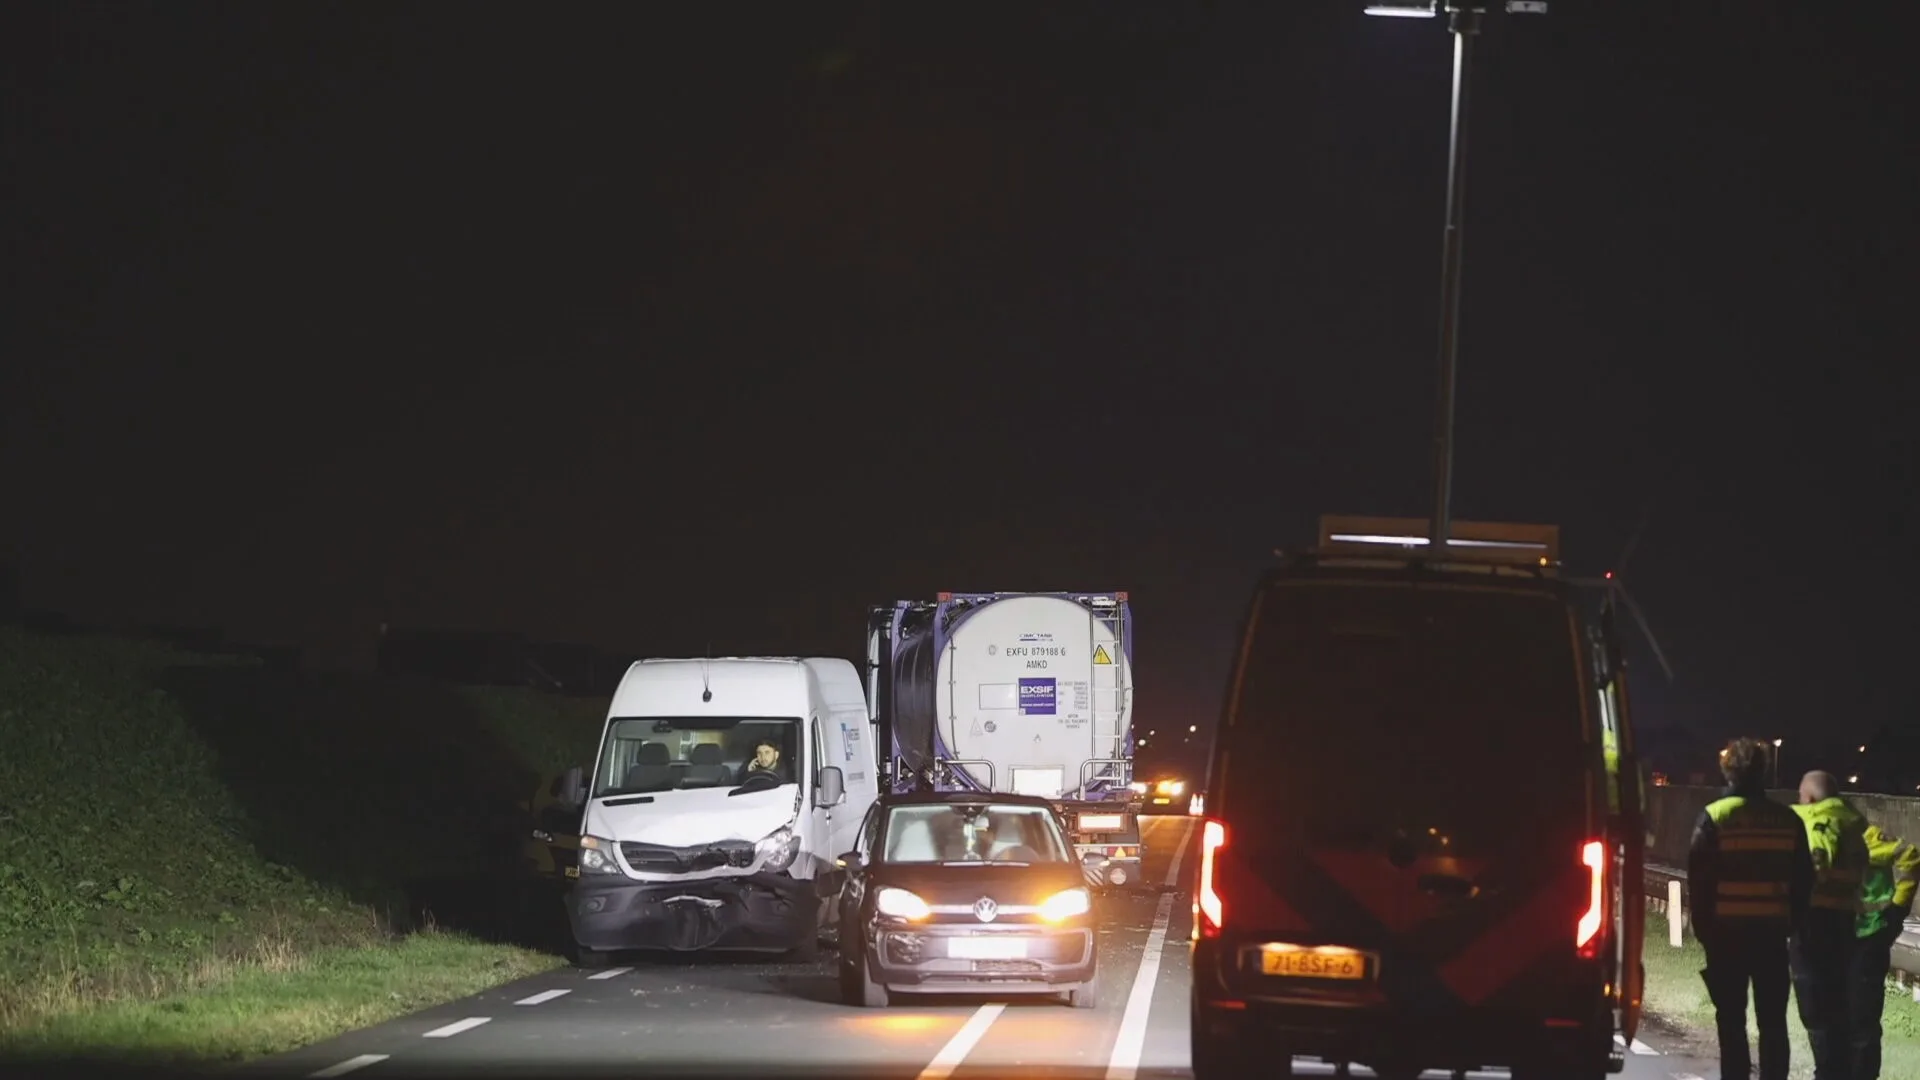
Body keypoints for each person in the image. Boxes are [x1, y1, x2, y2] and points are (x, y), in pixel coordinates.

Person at [1688, 737, 1814, 1080]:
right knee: (1773, 1023)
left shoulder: (1714, 817)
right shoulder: (1787, 819)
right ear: (1763, 771)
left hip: (1726, 937)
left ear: (1728, 771)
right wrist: (1791, 924)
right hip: (1772, 936)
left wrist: (1704, 932)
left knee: (1731, 1022)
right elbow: (1804, 881)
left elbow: (1699, 883)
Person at [1790, 770, 1870, 1080]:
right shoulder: (1853, 822)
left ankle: (1828, 1072)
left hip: (1814, 920)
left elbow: (1816, 864)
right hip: (1847, 921)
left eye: (1800, 796)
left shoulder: (1817, 821)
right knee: (1839, 1002)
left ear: (1809, 798)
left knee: (1814, 1004)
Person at [1851, 817, 1920, 1080]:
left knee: (1863, 1022)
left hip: (1869, 937)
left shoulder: (1868, 838)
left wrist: (1898, 909)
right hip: (1841, 939)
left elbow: (1911, 857)